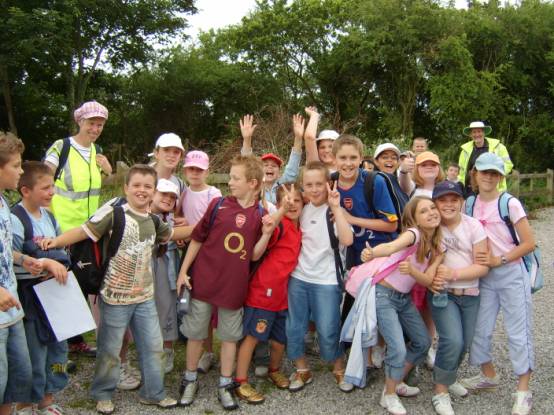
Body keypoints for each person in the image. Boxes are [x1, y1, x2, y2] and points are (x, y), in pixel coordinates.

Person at [40, 164, 193, 415]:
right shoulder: (114, 214)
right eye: (136, 185)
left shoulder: (155, 221)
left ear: (154, 191)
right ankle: (103, 394)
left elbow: (175, 233)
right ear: (126, 188)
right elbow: (83, 231)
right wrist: (55, 242)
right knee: (110, 350)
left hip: (145, 298)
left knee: (154, 347)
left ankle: (153, 394)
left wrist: (206, 227)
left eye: (147, 186)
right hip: (114, 297)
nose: (142, 191)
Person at [176, 155, 276, 411]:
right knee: (196, 334)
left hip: (233, 287)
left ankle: (225, 383)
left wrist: (265, 234)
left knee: (230, 337)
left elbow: (254, 255)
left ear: (253, 183)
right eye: (230, 177)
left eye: (235, 178)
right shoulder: (217, 205)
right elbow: (197, 239)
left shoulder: (260, 213)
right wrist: (184, 270)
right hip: (204, 282)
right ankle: (189, 379)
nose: (229, 182)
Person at [460, 153, 535, 415]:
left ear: (500, 177)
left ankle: (523, 390)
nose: (489, 177)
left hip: (511, 273)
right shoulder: (468, 204)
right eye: (484, 172)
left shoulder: (509, 203)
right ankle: (488, 376)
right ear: (475, 175)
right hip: (482, 276)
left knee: (518, 331)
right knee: (479, 330)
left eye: (494, 173)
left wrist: (498, 259)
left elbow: (528, 243)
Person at [360, 196, 443, 415]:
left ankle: (394, 382)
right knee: (396, 347)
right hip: (384, 295)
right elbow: (391, 246)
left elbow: (426, 281)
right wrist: (372, 252)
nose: (431, 212)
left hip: (403, 298)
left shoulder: (436, 245)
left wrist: (422, 268)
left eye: (433, 208)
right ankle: (388, 396)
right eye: (424, 211)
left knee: (423, 342)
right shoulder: (414, 234)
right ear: (414, 219)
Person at [44, 100, 112, 356]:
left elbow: (98, 189)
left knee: (80, 285)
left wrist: (108, 172)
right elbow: (44, 179)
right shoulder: (61, 147)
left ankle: (73, 342)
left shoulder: (98, 152)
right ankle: (55, 348)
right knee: (59, 287)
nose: (95, 128)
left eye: (100, 124)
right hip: (61, 231)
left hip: (88, 232)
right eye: (91, 123)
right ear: (79, 121)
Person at [285, 161, 353, 393]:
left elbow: (347, 240)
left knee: (328, 327)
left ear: (328, 184)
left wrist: (336, 209)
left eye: (318, 184)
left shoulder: (335, 211)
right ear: (303, 187)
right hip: (299, 277)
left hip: (327, 280)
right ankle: (302, 369)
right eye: (309, 185)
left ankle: (338, 366)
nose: (314, 189)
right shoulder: (301, 209)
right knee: (295, 326)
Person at [10, 161, 71, 415]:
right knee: (35, 349)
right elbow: (10, 255)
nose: (52, 192)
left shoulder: (50, 217)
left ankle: (48, 398)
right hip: (31, 295)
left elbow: (62, 250)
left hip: (55, 293)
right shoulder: (15, 218)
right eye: (45, 188)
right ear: (26, 190)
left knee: (58, 347)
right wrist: (42, 262)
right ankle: (26, 403)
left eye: (53, 187)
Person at [234, 184, 303, 404]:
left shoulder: (299, 227)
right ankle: (241, 381)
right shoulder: (277, 224)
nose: (291, 205)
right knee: (252, 337)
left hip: (283, 295)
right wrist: (279, 213)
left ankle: (274, 369)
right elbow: (261, 243)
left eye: (296, 200)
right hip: (263, 292)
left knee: (279, 340)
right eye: (286, 201)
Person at [428, 180, 489, 415]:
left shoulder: (473, 226)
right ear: (435, 203)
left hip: (471, 293)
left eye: (454, 199)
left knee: (465, 341)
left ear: (462, 202)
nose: (449, 204)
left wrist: (453, 273)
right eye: (443, 200)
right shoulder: (431, 227)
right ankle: (440, 390)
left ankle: (449, 375)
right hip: (444, 294)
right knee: (451, 340)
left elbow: (482, 267)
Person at [0, 132, 45, 415]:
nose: (20, 171)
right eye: (16, 165)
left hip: (12, 308)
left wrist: (22, 258)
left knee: (18, 376)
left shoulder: (4, 202)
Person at [178, 150, 222, 374]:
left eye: (199, 169)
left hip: (209, 252)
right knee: (194, 299)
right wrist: (181, 227)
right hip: (189, 250)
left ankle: (209, 350)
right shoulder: (184, 193)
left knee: (207, 302)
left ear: (207, 171)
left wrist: (187, 231)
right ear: (185, 170)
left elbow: (214, 224)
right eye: (191, 169)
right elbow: (179, 217)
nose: (195, 173)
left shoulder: (213, 193)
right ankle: (194, 343)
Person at [150, 179, 181, 374]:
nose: (168, 199)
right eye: (164, 194)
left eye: (172, 197)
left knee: (167, 306)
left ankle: (167, 350)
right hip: (141, 268)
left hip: (165, 264)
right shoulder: (138, 214)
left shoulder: (172, 220)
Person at [239, 114, 304, 205]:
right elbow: (247, 164)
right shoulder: (254, 184)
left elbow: (293, 165)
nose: (270, 167)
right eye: (265, 165)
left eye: (274, 166)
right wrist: (247, 139)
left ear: (279, 172)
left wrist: (298, 137)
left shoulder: (283, 184)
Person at [457, 121, 513, 195]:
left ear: (484, 133)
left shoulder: (498, 147)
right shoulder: (465, 151)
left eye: (479, 131)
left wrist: (495, 173)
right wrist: (460, 186)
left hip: (493, 189)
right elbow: (461, 172)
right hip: (470, 190)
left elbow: (508, 165)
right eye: (474, 132)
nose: (477, 134)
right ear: (470, 135)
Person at [303, 107, 339, 172]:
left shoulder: (348, 170)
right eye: (322, 147)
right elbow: (309, 137)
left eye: (331, 146)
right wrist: (314, 115)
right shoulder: (316, 167)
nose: (327, 150)